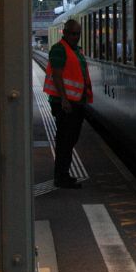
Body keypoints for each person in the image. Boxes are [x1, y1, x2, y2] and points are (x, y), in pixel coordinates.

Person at [44, 19, 92, 189]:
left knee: (70, 139)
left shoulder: (76, 51)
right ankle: (61, 176)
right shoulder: (59, 49)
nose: (76, 37)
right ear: (64, 32)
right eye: (72, 33)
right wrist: (64, 98)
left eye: (78, 33)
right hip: (64, 104)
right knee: (65, 140)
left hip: (76, 102)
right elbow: (57, 75)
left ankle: (64, 174)